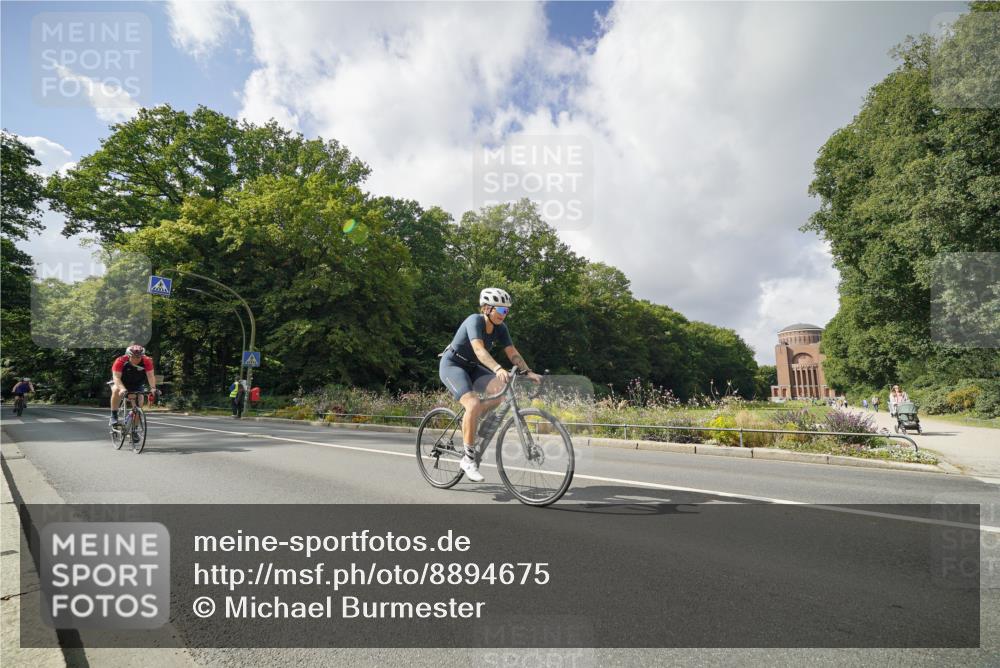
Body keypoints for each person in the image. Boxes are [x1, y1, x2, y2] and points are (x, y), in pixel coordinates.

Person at [439, 288, 542, 482]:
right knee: (473, 404)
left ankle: (474, 423)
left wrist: (528, 372)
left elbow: (512, 352)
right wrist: (497, 368)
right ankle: (468, 460)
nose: (505, 315)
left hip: (472, 367)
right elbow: (478, 349)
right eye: (501, 310)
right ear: (487, 308)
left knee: (500, 394)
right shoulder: (474, 321)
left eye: (507, 311)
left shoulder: (501, 328)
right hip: (452, 365)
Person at [110, 344, 159, 427]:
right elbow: (116, 377)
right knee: (116, 390)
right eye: (133, 357)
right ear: (128, 355)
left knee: (138, 406)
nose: (136, 359)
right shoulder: (120, 360)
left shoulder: (147, 361)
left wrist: (153, 388)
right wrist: (122, 389)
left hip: (136, 384)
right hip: (120, 382)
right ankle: (114, 415)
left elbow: (150, 376)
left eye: (138, 357)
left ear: (142, 356)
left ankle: (135, 429)